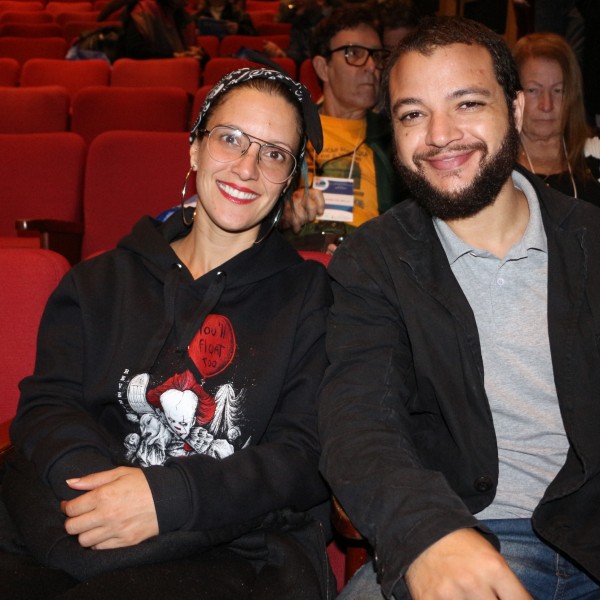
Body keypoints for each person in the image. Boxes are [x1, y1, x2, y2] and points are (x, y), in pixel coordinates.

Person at [0, 67, 336, 600]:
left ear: (290, 178)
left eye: (274, 154)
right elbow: (48, 402)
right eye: (230, 139)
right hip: (68, 518)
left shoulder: (311, 299)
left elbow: (304, 454)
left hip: (229, 548)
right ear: (196, 150)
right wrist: (98, 495)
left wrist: (165, 498)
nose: (247, 168)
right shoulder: (100, 280)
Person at [319, 15, 600, 600]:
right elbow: (360, 424)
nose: (440, 135)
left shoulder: (592, 242)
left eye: (467, 103)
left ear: (516, 111)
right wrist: (425, 534)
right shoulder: (373, 263)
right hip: (464, 533)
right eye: (413, 114)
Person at [281, 5, 405, 252]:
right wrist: (283, 214)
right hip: (298, 257)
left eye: (376, 55)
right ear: (322, 68)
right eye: (354, 53)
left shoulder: (396, 137)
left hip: (372, 260)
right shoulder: (288, 129)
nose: (372, 66)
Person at [513, 32, 600, 206]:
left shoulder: (596, 155)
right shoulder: (494, 168)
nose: (547, 105)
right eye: (533, 90)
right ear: (513, 96)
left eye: (558, 90)